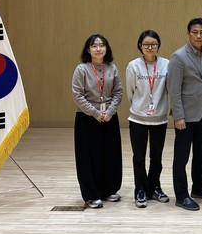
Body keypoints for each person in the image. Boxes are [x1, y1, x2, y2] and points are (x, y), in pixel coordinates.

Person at [166, 17, 202, 211]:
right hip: (185, 115)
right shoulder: (178, 57)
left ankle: (198, 187)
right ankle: (181, 195)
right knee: (182, 156)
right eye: (195, 32)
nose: (198, 36)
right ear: (188, 34)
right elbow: (174, 89)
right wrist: (178, 116)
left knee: (201, 153)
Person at [71, 34, 123, 209]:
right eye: (94, 46)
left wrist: (110, 112)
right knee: (88, 157)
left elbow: (118, 92)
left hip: (109, 117)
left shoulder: (112, 68)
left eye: (102, 45)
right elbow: (78, 95)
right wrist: (95, 113)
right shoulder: (82, 69)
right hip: (87, 118)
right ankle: (91, 195)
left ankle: (108, 190)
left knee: (110, 154)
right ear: (88, 50)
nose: (98, 49)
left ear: (106, 49)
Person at [125, 30, 170, 209]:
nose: (150, 47)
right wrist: (141, 106)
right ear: (140, 46)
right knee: (139, 157)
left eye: (153, 44)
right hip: (138, 120)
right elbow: (130, 92)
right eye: (146, 44)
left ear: (158, 45)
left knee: (156, 157)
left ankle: (155, 187)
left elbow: (169, 89)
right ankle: (140, 189)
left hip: (160, 119)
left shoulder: (166, 64)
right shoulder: (133, 66)